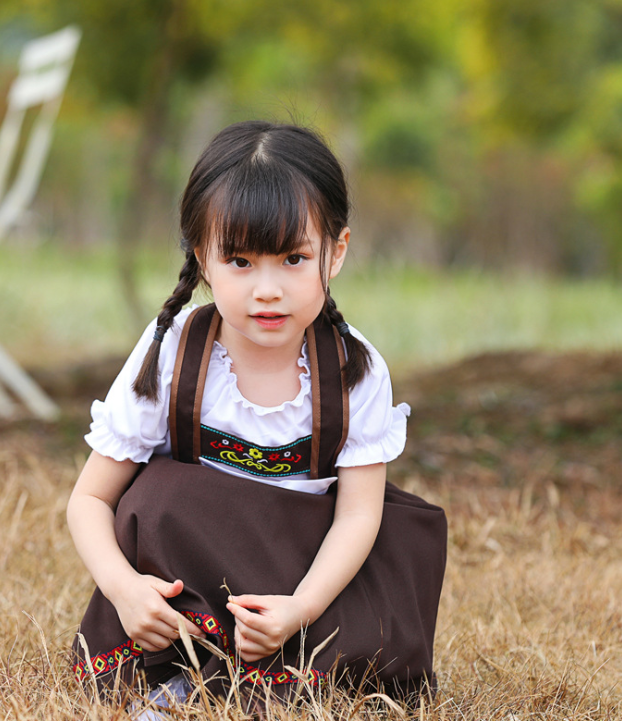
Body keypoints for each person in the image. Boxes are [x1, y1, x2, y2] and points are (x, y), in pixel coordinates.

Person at [69, 120, 446, 705]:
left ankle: (280, 677)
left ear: (336, 252)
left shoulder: (354, 369)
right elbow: (90, 499)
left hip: (303, 574)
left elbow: (356, 518)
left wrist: (302, 607)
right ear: (203, 258)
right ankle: (185, 675)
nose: (267, 289)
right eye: (240, 262)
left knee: (375, 628)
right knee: (162, 498)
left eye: (294, 259)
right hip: (195, 585)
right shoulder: (173, 349)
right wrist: (124, 591)